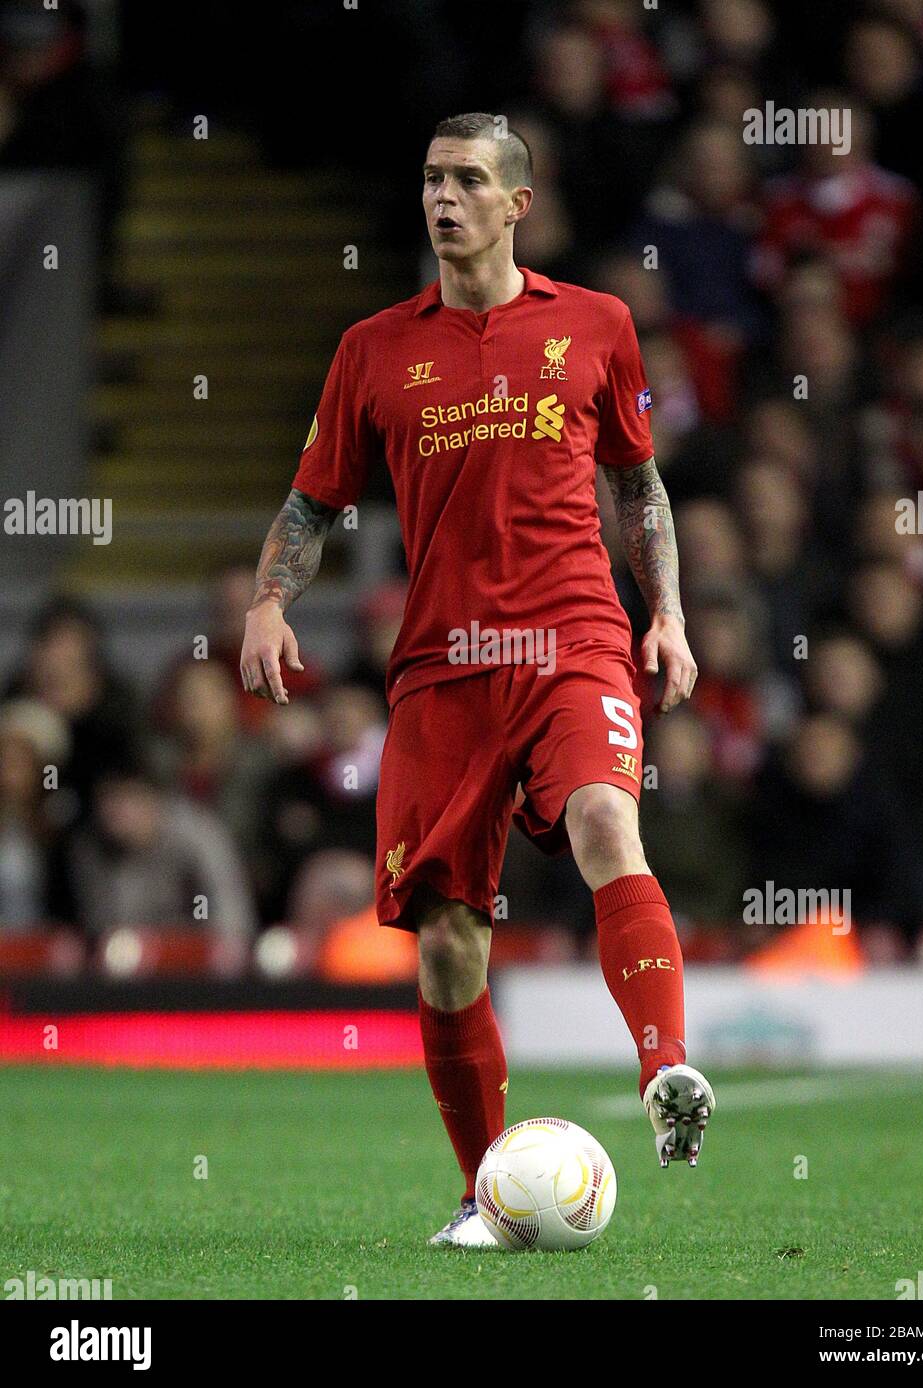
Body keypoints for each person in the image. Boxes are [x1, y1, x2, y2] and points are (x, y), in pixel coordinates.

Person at [240, 111, 715, 1246]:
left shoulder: (595, 326)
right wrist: (269, 599)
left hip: (571, 639)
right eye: (429, 179)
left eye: (465, 180)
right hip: (441, 670)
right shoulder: (372, 350)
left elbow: (637, 487)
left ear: (516, 204)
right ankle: (480, 1195)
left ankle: (665, 1074)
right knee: (451, 939)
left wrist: (669, 613)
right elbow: (313, 500)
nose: (442, 198)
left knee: (607, 819)